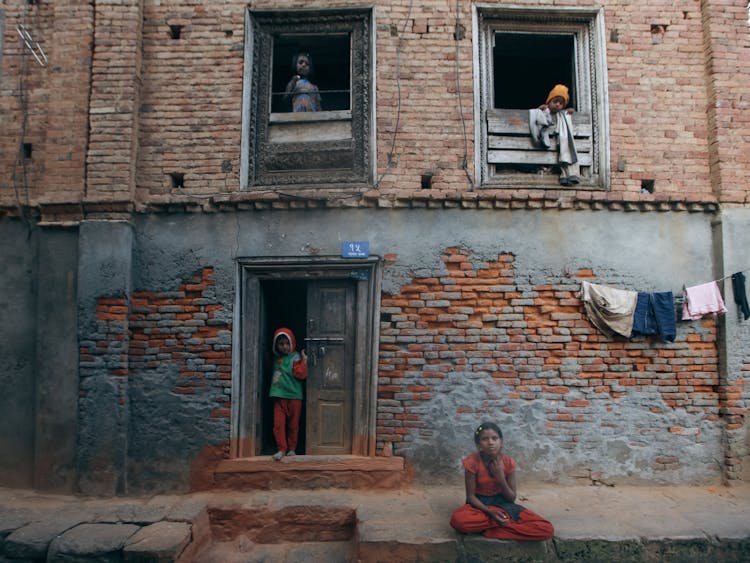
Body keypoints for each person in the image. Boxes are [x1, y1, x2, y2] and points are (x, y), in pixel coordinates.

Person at [449, 422, 554, 541]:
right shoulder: (472, 462)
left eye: (494, 438)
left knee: (546, 530)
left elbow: (511, 498)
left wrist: (500, 477)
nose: (490, 442)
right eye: (485, 439)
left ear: (501, 442)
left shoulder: (508, 462)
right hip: (480, 506)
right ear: (478, 444)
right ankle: (503, 526)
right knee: (458, 521)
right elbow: (471, 497)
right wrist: (490, 512)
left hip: (505, 506)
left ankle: (491, 531)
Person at [268, 327, 308, 461]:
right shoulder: (275, 358)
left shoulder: (295, 357)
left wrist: (304, 360)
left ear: (292, 343)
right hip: (279, 396)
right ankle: (281, 449)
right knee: (278, 425)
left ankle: (292, 449)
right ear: (276, 345)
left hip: (294, 396)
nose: (284, 347)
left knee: (293, 425)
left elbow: (301, 374)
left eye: (287, 343)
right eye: (281, 344)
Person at [537, 84, 580, 186]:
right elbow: (538, 116)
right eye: (555, 102)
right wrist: (541, 109)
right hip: (546, 146)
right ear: (549, 102)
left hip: (561, 143)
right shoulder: (545, 110)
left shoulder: (563, 115)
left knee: (566, 152)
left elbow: (568, 112)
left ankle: (567, 175)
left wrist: (570, 112)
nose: (557, 105)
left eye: (560, 103)